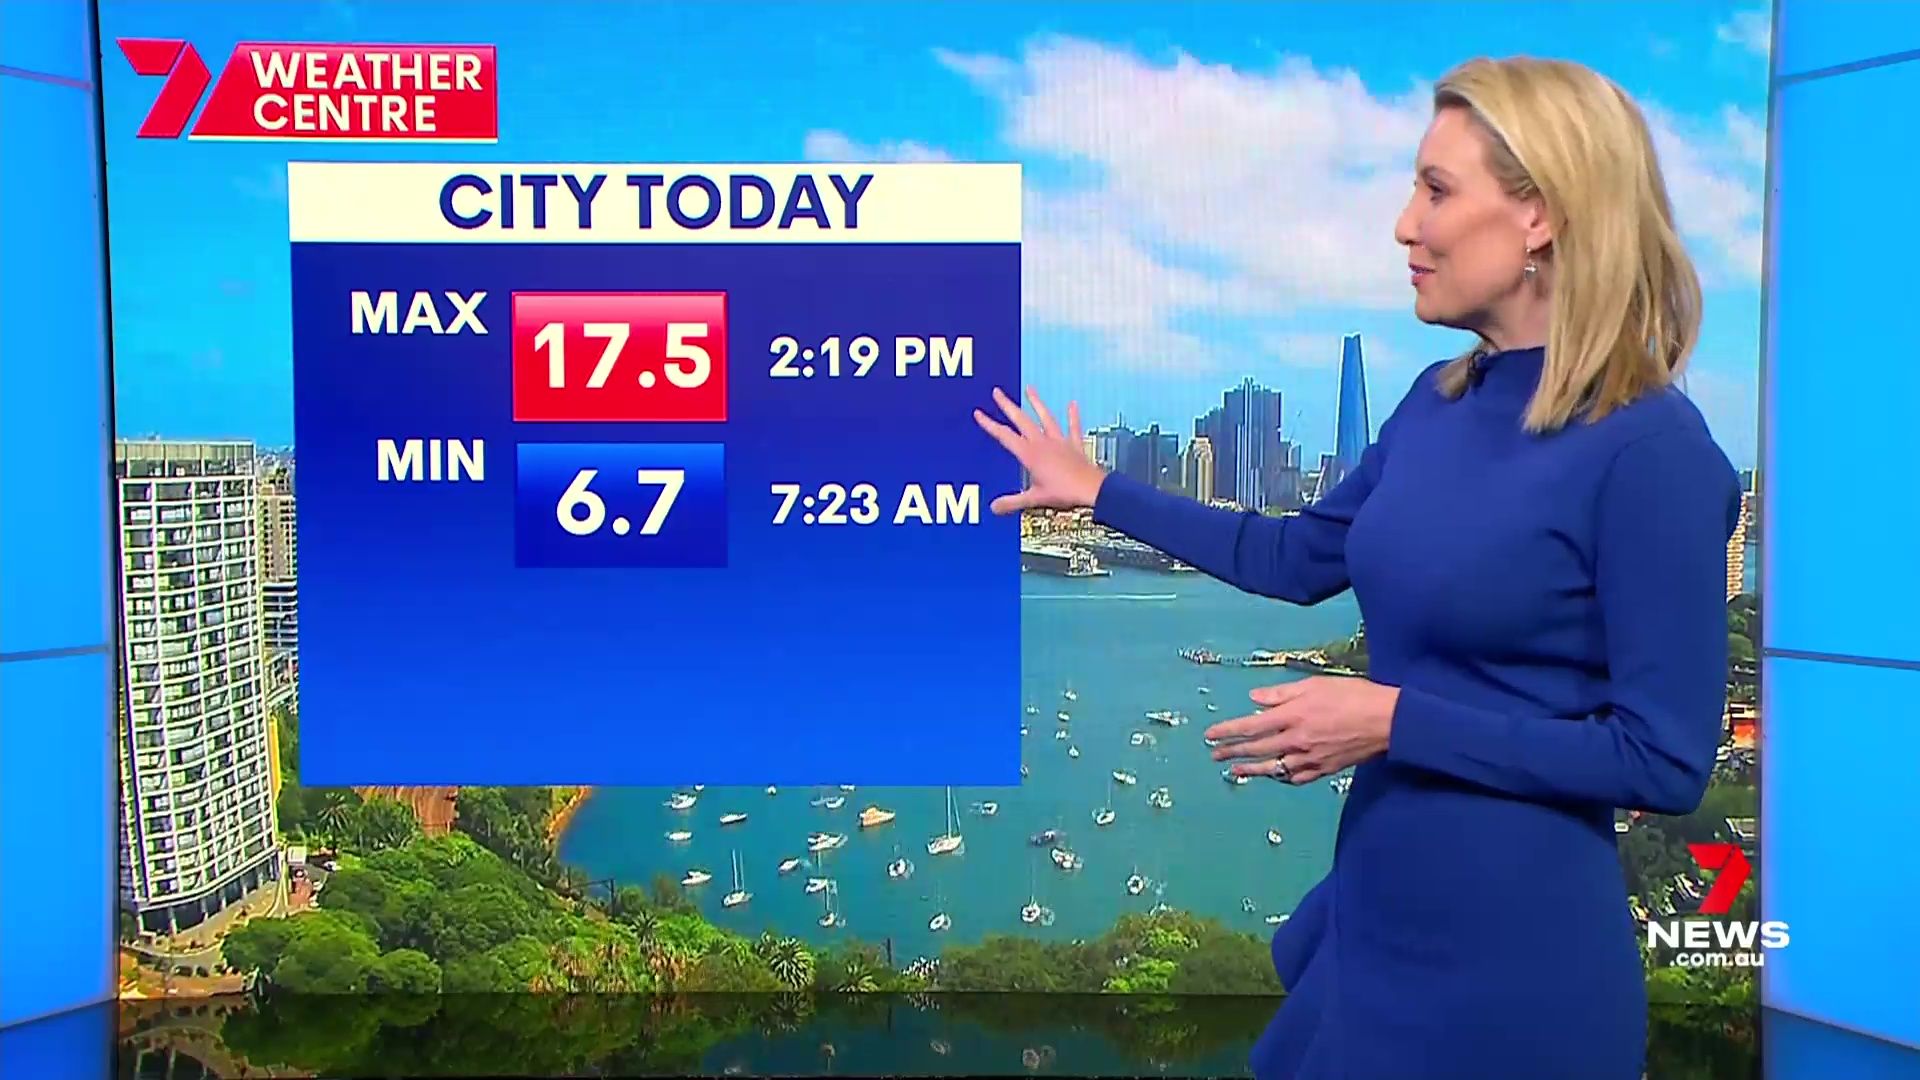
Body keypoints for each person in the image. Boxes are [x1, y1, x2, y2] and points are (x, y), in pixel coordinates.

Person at [973, 56, 1741, 1080]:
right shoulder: (1437, 402)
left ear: (1541, 216)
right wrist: (1100, 489)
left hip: (1512, 970)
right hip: (1374, 917)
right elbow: (1294, 558)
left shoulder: (1651, 452)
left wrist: (1391, 721)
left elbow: (1663, 760)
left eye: (1436, 191)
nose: (1403, 226)